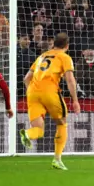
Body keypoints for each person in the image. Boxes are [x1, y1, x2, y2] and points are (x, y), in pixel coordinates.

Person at [19, 33, 81, 170]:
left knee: (39, 130)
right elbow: (70, 80)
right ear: (67, 46)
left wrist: (34, 92)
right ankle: (57, 159)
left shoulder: (42, 56)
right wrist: (75, 101)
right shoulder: (65, 57)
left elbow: (26, 78)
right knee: (62, 123)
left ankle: (28, 134)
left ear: (54, 44)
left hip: (32, 92)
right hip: (50, 91)